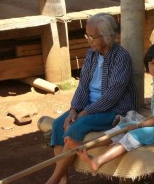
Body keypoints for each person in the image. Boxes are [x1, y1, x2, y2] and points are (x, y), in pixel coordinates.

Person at [65, 42, 154, 172]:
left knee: (134, 134)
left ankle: (98, 161)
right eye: (152, 63)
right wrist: (138, 124)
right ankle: (84, 145)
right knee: (122, 127)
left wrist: (138, 125)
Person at [45, 13, 137, 184]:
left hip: (113, 109)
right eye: (86, 35)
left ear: (107, 36)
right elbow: (83, 85)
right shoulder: (91, 54)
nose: (88, 40)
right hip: (89, 107)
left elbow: (113, 95)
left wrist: (85, 113)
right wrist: (74, 109)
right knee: (58, 125)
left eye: (92, 37)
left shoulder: (121, 57)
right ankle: (63, 179)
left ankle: (53, 179)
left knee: (76, 127)